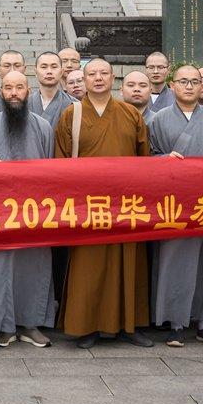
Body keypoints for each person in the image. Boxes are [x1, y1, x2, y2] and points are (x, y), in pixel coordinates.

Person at [54, 57, 152, 349]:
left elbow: (145, 159)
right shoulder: (71, 115)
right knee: (89, 266)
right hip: (88, 206)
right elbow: (60, 162)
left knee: (130, 263)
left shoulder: (130, 114)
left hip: (126, 203)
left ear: (113, 79)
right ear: (83, 81)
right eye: (92, 74)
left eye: (104, 74)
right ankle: (87, 326)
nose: (98, 78)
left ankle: (130, 326)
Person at [148, 65, 203, 347]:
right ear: (172, 85)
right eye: (183, 81)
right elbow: (147, 157)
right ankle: (175, 323)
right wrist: (163, 161)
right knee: (175, 263)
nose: (189, 86)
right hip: (172, 206)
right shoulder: (158, 120)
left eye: (195, 81)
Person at [0, 70, 56, 348]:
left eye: (19, 87)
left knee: (33, 267)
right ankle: (3, 326)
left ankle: (30, 324)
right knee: (1, 268)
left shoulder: (44, 126)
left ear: (28, 91)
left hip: (35, 211)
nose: (13, 93)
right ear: (0, 91)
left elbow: (52, 169)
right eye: (8, 87)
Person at [28, 52, 69, 128]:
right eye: (44, 67)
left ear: (61, 72)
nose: (49, 71)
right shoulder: (25, 104)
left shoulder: (73, 104)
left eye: (54, 67)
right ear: (36, 72)